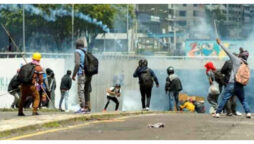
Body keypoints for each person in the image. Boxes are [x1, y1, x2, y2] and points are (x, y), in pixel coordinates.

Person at [215, 39, 251, 118]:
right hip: (240, 84)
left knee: (224, 98)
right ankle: (248, 112)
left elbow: (228, 52)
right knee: (243, 99)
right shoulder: (246, 64)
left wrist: (220, 43)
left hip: (232, 83)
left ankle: (218, 113)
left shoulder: (236, 60)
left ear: (240, 55)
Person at [72, 38, 93, 113]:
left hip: (82, 74)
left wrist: (73, 75)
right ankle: (87, 108)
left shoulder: (77, 51)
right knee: (86, 91)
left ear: (76, 45)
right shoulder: (86, 51)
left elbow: (77, 64)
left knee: (80, 90)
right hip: (88, 74)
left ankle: (83, 108)